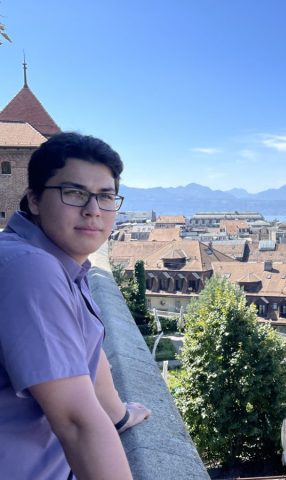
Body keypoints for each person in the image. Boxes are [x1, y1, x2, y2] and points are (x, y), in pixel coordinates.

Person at [0, 132, 151, 479]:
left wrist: (120, 416)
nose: (93, 210)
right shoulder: (30, 268)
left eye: (105, 196)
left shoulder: (59, 262)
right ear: (34, 200)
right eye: (74, 193)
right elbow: (76, 422)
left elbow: (85, 359)